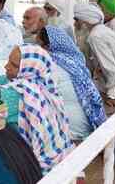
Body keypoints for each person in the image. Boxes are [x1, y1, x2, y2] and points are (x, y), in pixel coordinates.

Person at [4, 44, 74, 174]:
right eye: (8, 61)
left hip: (34, 167)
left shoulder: (17, 93)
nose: (6, 66)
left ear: (27, 70)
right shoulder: (48, 88)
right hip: (58, 159)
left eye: (13, 65)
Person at [36, 26, 106, 140]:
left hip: (70, 131)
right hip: (88, 124)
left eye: (38, 45)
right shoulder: (75, 60)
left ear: (47, 46)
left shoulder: (48, 64)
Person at [74, 3, 115, 106]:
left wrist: (111, 95)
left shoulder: (95, 36)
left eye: (76, 19)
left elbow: (110, 66)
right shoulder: (101, 30)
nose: (74, 23)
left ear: (84, 20)